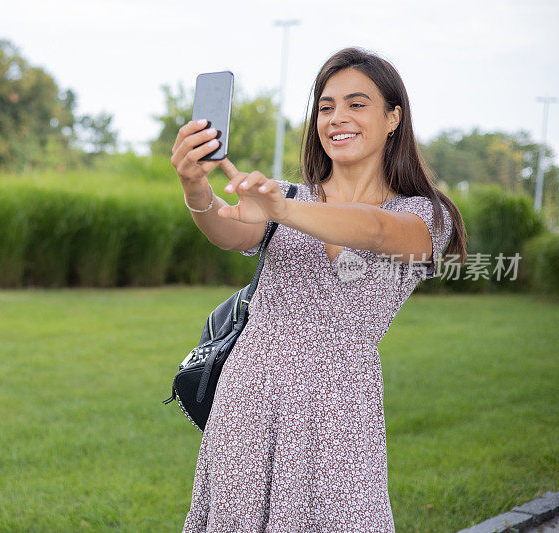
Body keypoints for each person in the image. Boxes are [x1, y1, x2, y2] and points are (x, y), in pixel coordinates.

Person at [170, 46, 467, 532]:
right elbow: (228, 233)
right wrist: (195, 188)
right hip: (248, 397)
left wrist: (282, 211)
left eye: (356, 104)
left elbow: (375, 231)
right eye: (326, 107)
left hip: (339, 410)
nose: (337, 118)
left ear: (393, 117)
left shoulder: (424, 214)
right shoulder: (285, 197)